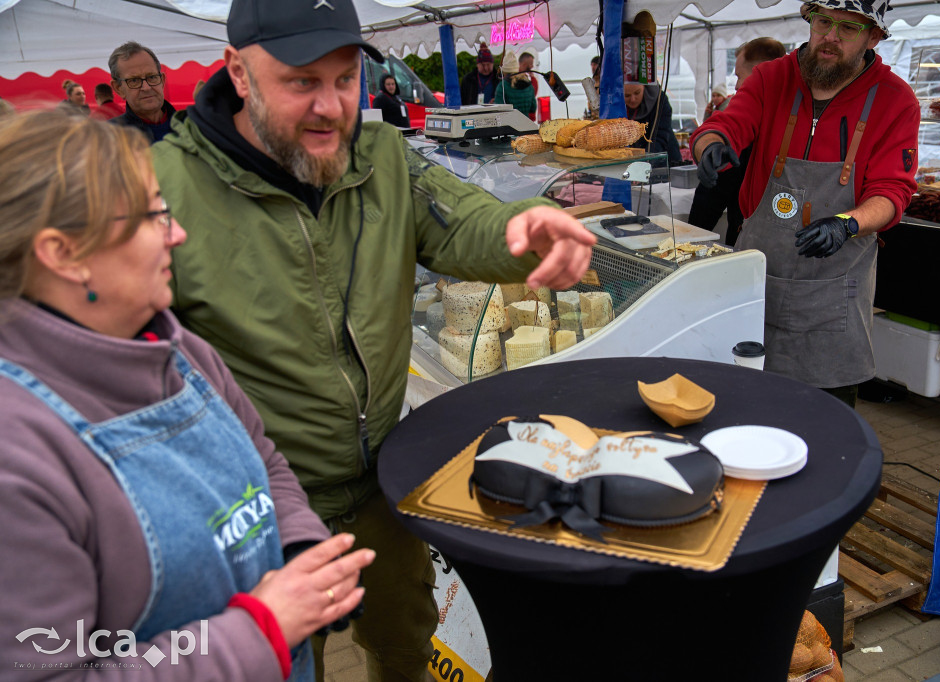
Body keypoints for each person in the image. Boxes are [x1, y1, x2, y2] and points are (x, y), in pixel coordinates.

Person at [151, 0, 595, 680]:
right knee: (286, 664)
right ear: (238, 72)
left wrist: (528, 225)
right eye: (302, 81)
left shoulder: (383, 156)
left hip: (381, 480)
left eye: (347, 78)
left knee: (403, 638)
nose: (331, 106)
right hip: (260, 505)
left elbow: (464, 218)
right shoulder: (168, 188)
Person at [0, 110, 375, 679]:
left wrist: (296, 548)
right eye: (153, 216)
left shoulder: (181, 352)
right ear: (64, 253)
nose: (177, 233)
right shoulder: (18, 458)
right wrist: (264, 629)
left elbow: (264, 463)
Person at [691, 0, 919, 408]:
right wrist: (711, 145)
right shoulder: (771, 77)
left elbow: (892, 192)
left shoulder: (895, 100)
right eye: (823, 21)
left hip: (835, 294)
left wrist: (848, 224)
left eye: (848, 27)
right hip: (756, 279)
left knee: (823, 425)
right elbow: (727, 123)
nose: (830, 36)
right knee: (743, 407)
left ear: (874, 36)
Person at [688, 37, 787, 246]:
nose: (737, 84)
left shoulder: (752, 116)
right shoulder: (790, 110)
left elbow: (713, 195)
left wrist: (691, 235)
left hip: (750, 237)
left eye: (739, 75)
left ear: (760, 73)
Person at [108, 41, 176, 142]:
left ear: (162, 80)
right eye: (134, 80)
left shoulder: (191, 126)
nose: (146, 87)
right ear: (119, 88)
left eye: (152, 77)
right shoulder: (109, 138)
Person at [624, 81, 683, 166]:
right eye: (627, 95)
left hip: (665, 161)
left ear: (644, 87)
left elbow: (660, 137)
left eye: (637, 93)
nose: (633, 99)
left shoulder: (660, 101)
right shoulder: (616, 105)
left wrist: (644, 164)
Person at [494, 50, 537, 120]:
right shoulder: (529, 84)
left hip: (510, 126)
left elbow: (498, 111)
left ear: (504, 71)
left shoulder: (502, 86)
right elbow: (533, 108)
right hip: (527, 125)